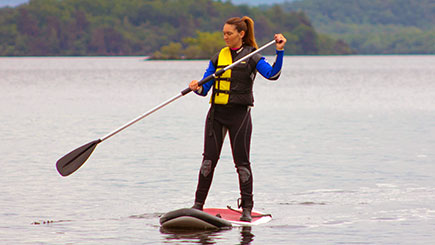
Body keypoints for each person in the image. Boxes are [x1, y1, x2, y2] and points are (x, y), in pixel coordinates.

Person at [188, 16, 286, 222]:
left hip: (239, 116)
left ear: (241, 34)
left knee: (241, 164)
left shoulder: (253, 57)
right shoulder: (217, 58)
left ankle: (247, 209)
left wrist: (279, 51)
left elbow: (272, 75)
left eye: (229, 33)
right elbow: (205, 90)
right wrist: (196, 87)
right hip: (216, 115)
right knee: (208, 161)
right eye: (223, 33)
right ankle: (197, 205)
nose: (225, 37)